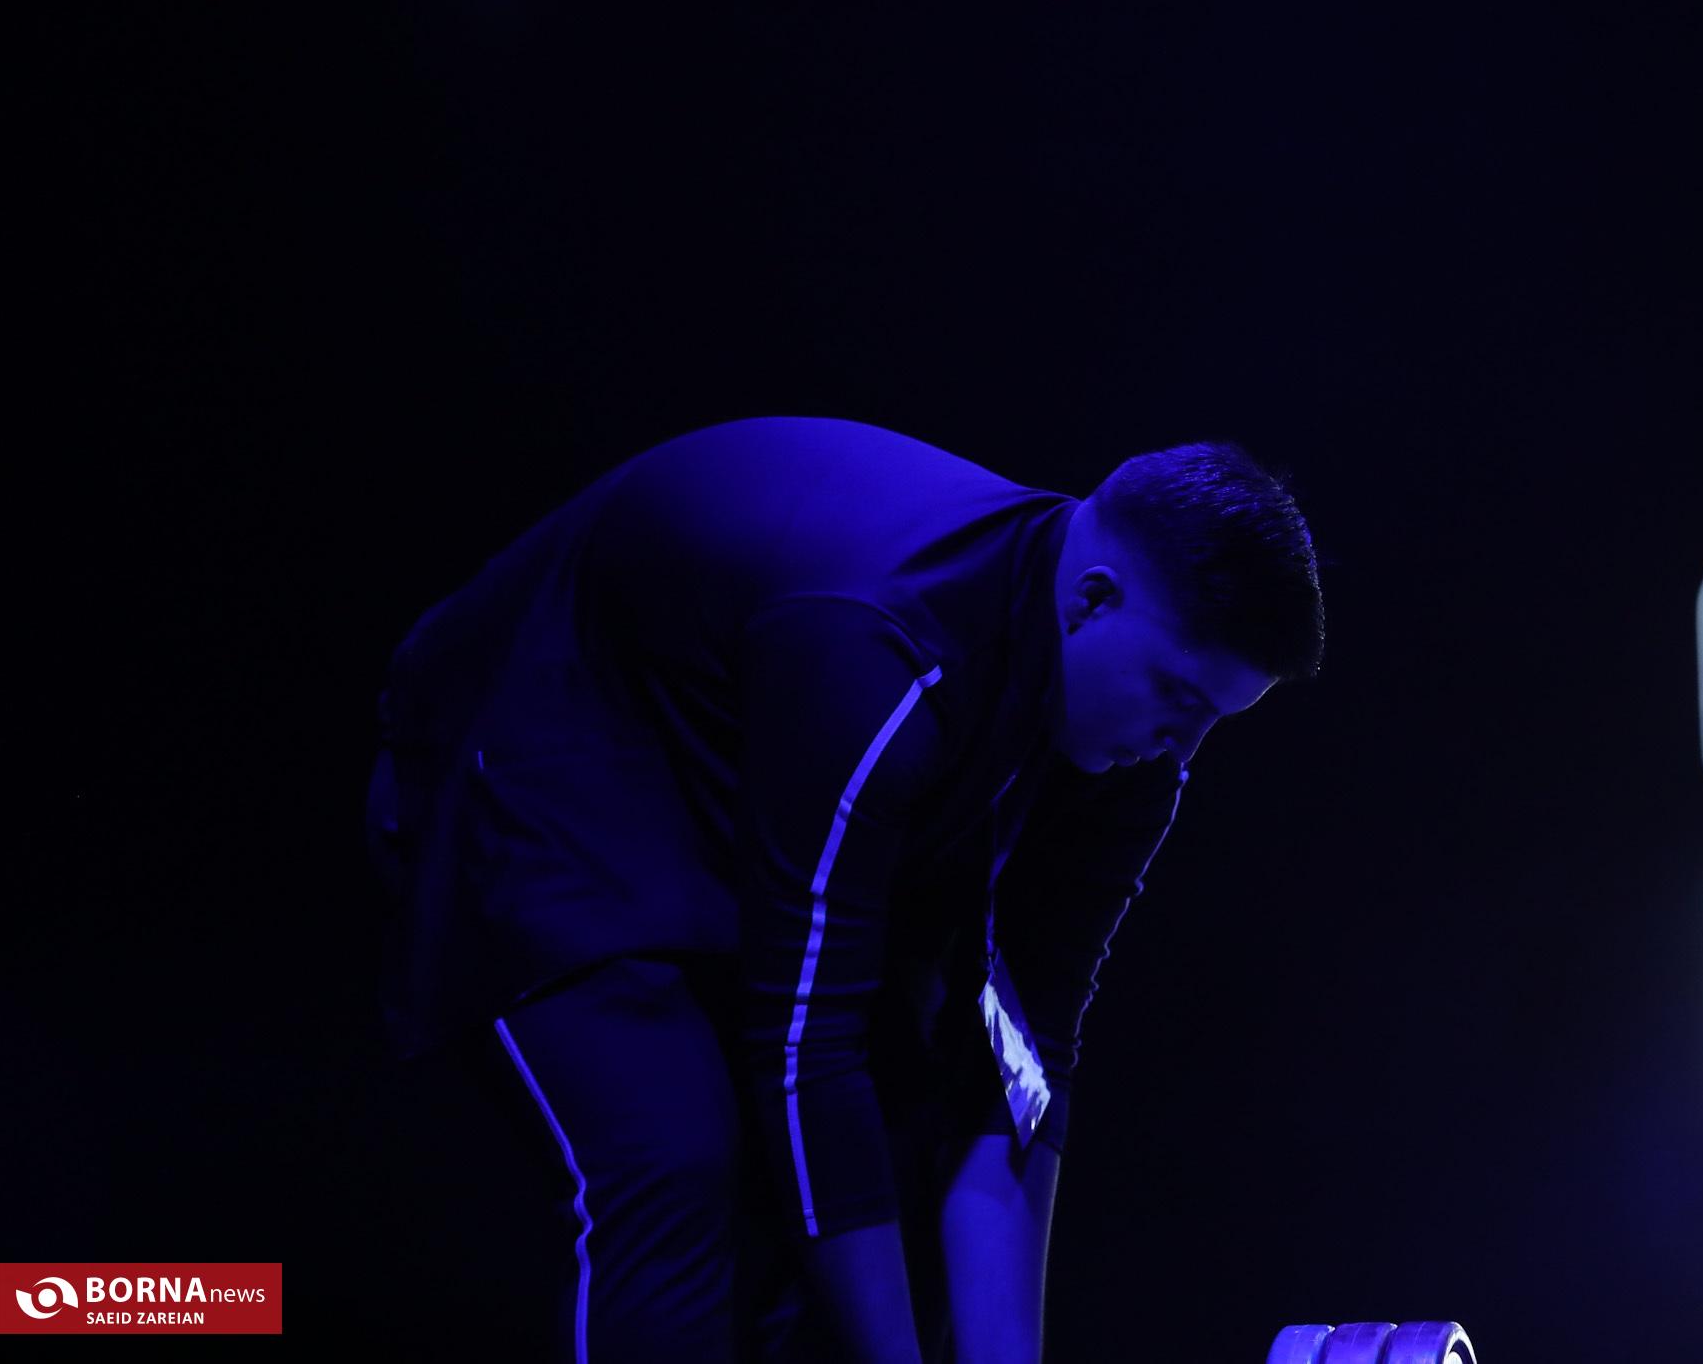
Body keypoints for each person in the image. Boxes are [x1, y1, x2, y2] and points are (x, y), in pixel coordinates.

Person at [362, 416, 1325, 1362]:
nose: (1184, 746)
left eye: (1217, 718)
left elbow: (1024, 1064)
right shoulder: (882, 645)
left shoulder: (1141, 753)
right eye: (1179, 696)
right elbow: (807, 1045)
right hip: (540, 776)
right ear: (1093, 600)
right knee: (674, 1156)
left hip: (744, 803)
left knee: (903, 1146)